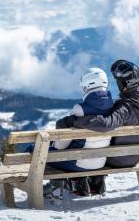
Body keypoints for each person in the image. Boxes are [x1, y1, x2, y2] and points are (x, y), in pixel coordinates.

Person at [55, 60, 139, 191]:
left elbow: (106, 124)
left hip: (120, 159)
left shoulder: (125, 108)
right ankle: (92, 183)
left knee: (91, 148)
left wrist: (73, 121)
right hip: (136, 155)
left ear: (123, 84)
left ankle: (79, 183)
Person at [44, 68, 113, 199]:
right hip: (101, 161)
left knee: (40, 152)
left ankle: (56, 188)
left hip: (79, 162)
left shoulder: (80, 109)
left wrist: (54, 144)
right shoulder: (114, 109)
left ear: (87, 85)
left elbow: (60, 147)